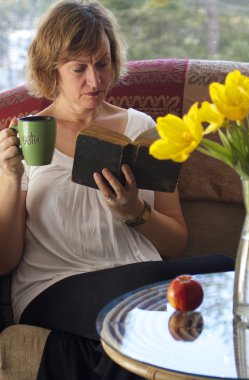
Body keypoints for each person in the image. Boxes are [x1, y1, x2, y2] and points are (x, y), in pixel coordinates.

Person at [0, 1, 234, 379]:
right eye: (79, 68)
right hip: (55, 287)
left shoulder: (142, 128)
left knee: (225, 272)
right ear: (52, 70)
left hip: (137, 276)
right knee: (142, 311)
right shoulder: (28, 135)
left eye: (103, 63)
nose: (95, 80)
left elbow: (175, 244)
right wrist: (9, 177)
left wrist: (133, 211)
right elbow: (5, 261)